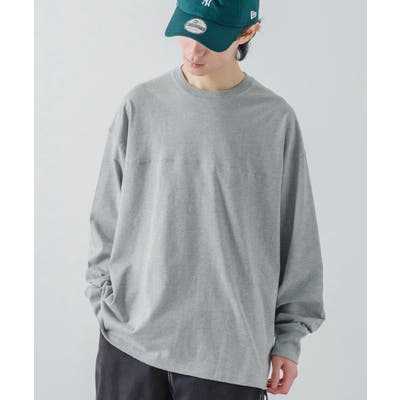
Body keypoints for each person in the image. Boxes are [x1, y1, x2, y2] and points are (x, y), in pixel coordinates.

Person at [84, 1, 326, 399]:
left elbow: (297, 234)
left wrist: (289, 338)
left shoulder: (274, 120)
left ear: (247, 33)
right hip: (130, 344)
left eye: (210, 40)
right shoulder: (140, 105)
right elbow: (105, 216)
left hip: (227, 356)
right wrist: (104, 301)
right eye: (187, 33)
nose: (193, 51)